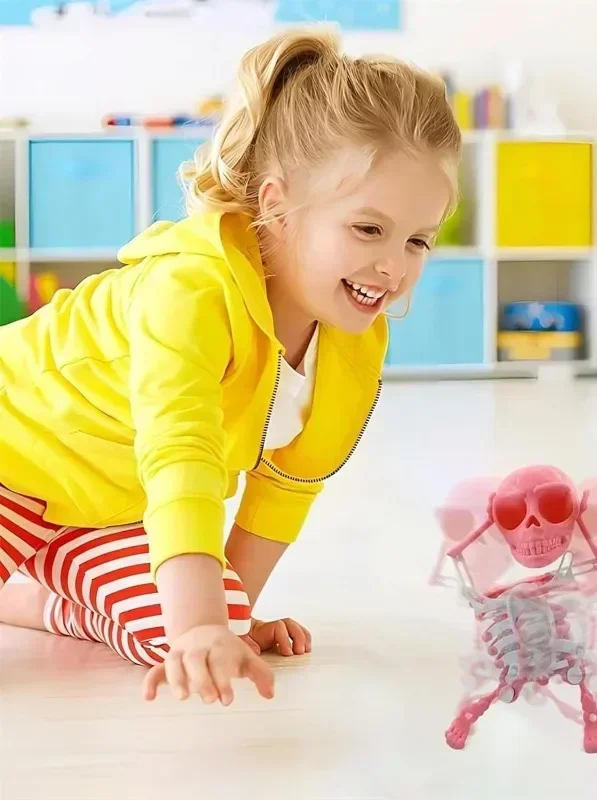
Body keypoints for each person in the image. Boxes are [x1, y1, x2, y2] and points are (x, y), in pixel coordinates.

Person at [0, 28, 461, 706]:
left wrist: (218, 625)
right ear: (276, 203)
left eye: (418, 239)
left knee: (212, 622)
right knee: (197, 614)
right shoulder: (189, 290)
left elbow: (290, 483)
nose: (394, 266)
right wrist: (201, 620)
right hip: (17, 454)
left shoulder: (353, 342)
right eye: (368, 229)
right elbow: (178, 449)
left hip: (115, 507)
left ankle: (35, 593)